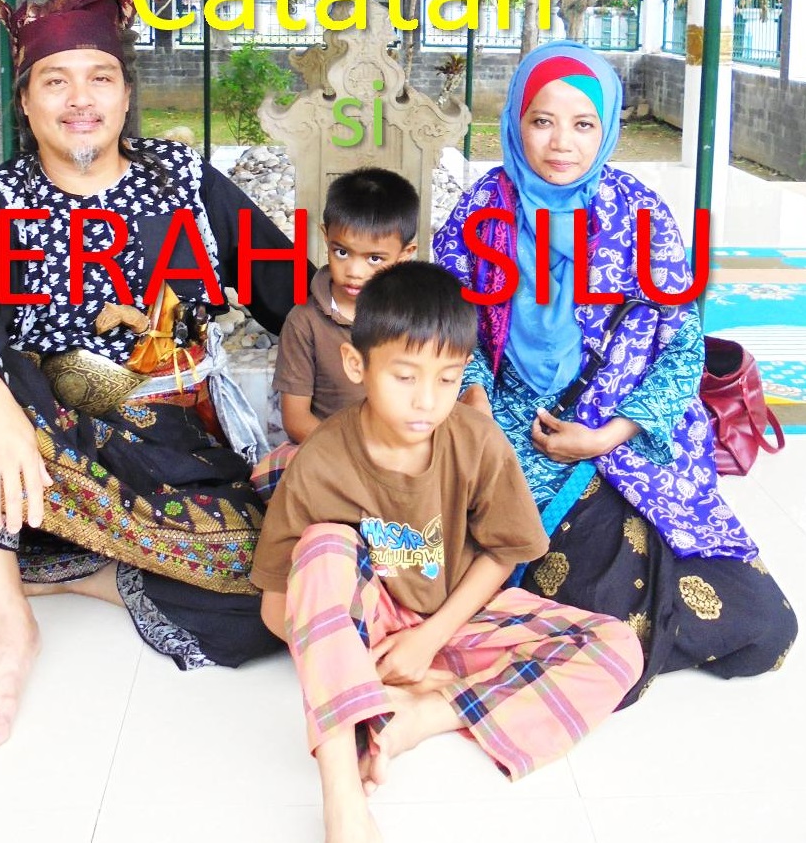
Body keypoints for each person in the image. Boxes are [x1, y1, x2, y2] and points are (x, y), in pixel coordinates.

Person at [0, 0, 307, 751]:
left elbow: (290, 290)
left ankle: (75, 570)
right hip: (47, 435)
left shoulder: (187, 184)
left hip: (175, 445)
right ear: (26, 103)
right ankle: (9, 628)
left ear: (126, 95)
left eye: (99, 77)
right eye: (54, 81)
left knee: (275, 593)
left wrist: (374, 352)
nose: (80, 99)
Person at [434, 40, 797, 703]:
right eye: (542, 121)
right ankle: (583, 645)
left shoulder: (640, 216)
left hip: (624, 441)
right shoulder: (481, 210)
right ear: (515, 122)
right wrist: (477, 406)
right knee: (554, 581)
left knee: (765, 628)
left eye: (583, 124)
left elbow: (681, 350)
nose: (561, 143)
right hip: (509, 435)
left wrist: (606, 436)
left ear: (606, 130)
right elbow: (446, 326)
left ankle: (584, 645)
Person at [251, 263, 643, 843]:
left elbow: (504, 554)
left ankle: (423, 713)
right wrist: (350, 655)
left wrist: (428, 641)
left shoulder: (477, 440)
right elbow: (274, 607)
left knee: (617, 648)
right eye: (404, 376)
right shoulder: (323, 459)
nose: (426, 401)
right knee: (324, 544)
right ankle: (342, 791)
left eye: (446, 379)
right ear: (357, 365)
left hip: (458, 618)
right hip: (373, 625)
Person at [253, 168, 418, 501]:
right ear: (325, 236)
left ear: (406, 253)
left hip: (405, 451)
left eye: (374, 259)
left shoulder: (417, 317)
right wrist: (357, 454)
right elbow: (296, 419)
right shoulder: (304, 322)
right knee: (270, 474)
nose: (354, 271)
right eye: (341, 252)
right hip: (333, 450)